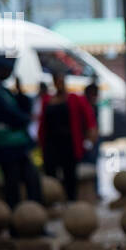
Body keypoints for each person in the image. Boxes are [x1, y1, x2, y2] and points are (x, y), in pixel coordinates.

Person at [0, 56, 43, 209]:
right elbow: (12, 115)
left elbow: (22, 106)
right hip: (6, 146)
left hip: (15, 145)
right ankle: (17, 222)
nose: (9, 72)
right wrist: (26, 119)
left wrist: (20, 91)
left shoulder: (1, 90)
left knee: (31, 180)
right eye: (6, 69)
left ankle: (32, 219)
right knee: (13, 184)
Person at [38, 69, 91, 203]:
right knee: (51, 173)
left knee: (70, 174)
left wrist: (89, 139)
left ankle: (71, 201)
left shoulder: (75, 99)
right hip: (51, 143)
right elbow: (42, 123)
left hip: (69, 143)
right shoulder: (47, 100)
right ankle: (54, 201)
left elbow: (88, 119)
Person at [81, 81, 102, 199]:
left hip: (92, 141)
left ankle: (95, 191)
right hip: (88, 141)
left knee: (93, 166)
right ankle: (91, 192)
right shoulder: (86, 107)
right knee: (89, 166)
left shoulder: (94, 107)